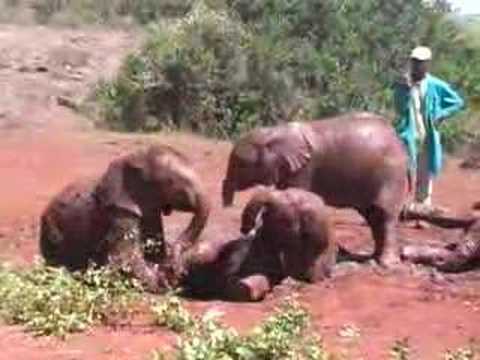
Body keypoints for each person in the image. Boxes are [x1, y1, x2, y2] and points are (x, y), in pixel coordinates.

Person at [394, 46, 464, 217]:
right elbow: (399, 109)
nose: (417, 65)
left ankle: (422, 210)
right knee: (405, 171)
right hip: (408, 135)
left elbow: (457, 102)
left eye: (420, 62)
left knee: (425, 173)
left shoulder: (436, 85)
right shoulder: (403, 84)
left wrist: (441, 114)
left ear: (427, 64)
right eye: (414, 62)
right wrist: (404, 90)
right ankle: (400, 208)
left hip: (428, 136)